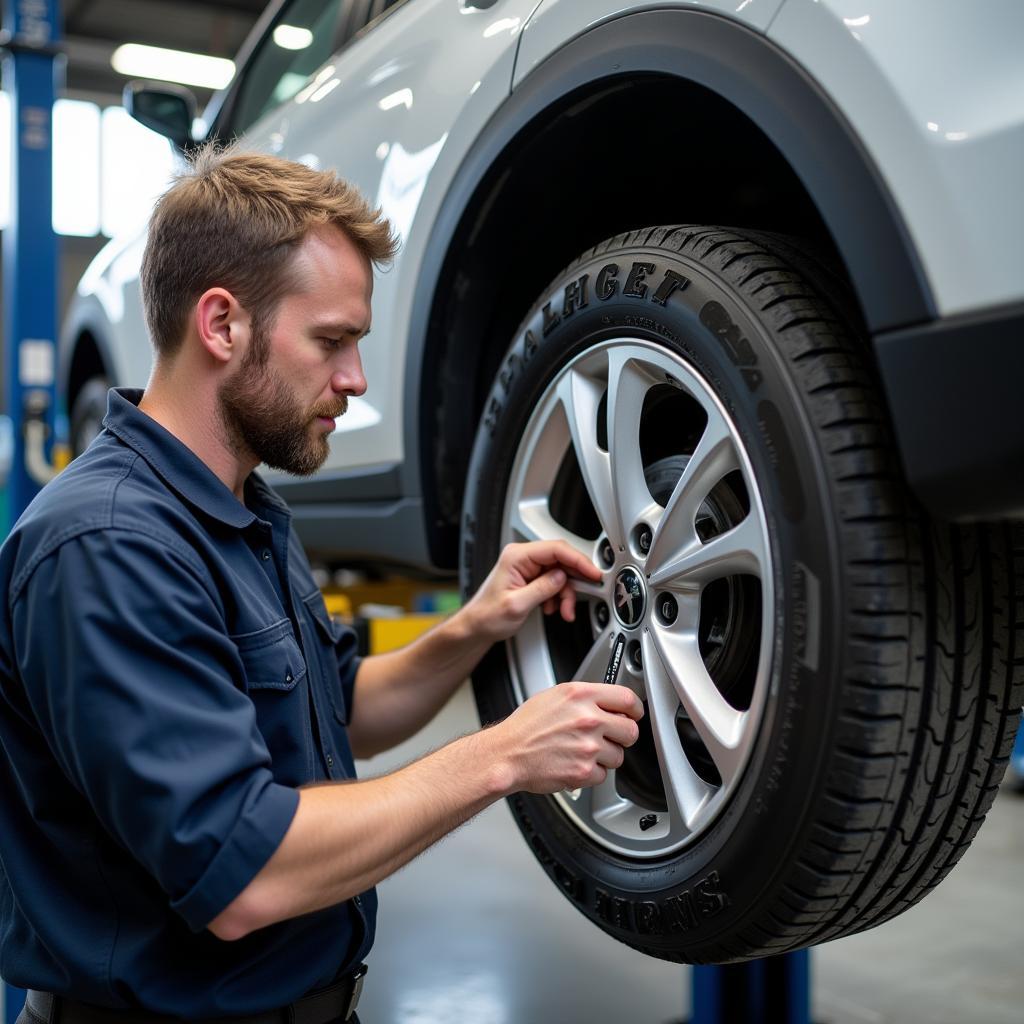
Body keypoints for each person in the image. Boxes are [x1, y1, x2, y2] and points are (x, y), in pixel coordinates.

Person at [0, 146, 643, 1024]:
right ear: (221, 325)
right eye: (331, 341)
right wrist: (501, 757)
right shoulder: (105, 546)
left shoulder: (246, 510)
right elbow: (245, 874)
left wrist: (475, 625)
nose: (355, 379)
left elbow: (341, 709)